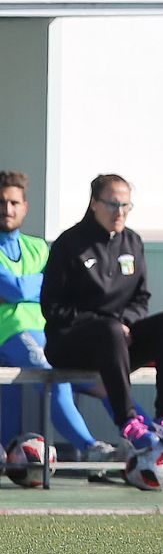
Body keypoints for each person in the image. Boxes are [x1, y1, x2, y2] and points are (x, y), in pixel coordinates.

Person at [41, 173, 163, 454]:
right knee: (108, 330)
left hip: (119, 342)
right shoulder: (68, 244)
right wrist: (106, 324)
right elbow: (52, 307)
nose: (120, 212)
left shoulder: (132, 242)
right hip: (71, 344)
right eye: (112, 204)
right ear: (94, 203)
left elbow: (141, 298)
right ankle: (128, 421)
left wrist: (126, 323)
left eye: (126, 206)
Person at [0, 170, 116, 462]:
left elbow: (52, 285)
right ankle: (90, 448)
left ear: (25, 206)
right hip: (10, 334)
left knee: (105, 380)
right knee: (54, 378)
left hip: (47, 332)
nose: (7, 209)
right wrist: (36, 283)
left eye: (14, 203)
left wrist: (24, 286)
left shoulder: (39, 247)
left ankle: (148, 439)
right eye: (2, 203)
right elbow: (14, 289)